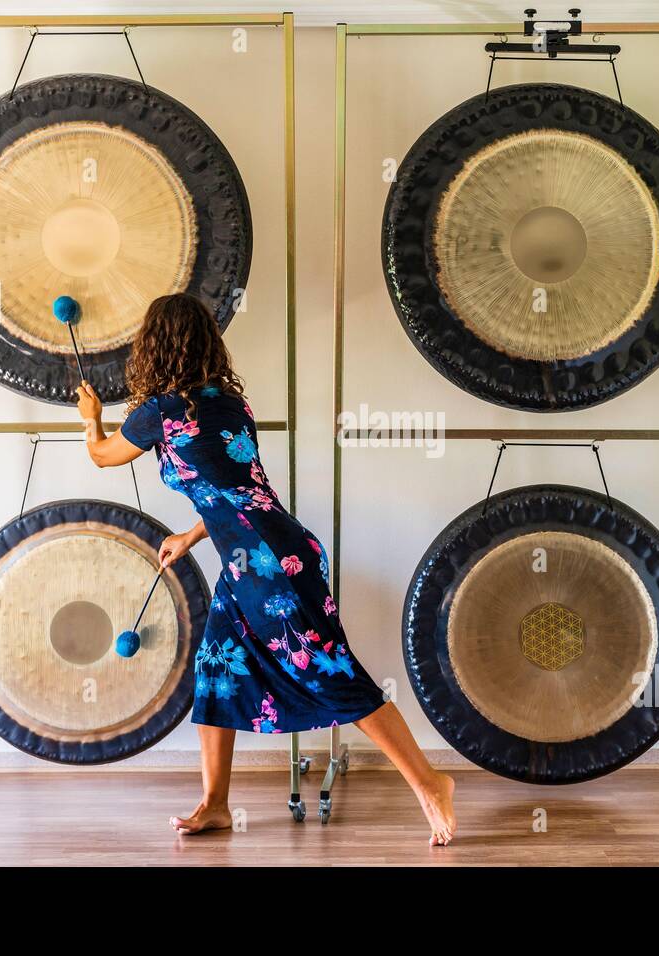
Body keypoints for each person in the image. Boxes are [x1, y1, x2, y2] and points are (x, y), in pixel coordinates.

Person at [76, 293, 456, 846]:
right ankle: (215, 804)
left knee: (335, 674)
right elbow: (239, 495)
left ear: (152, 348)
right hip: (271, 551)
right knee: (218, 665)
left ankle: (430, 784)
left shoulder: (158, 412)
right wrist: (190, 534)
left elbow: (103, 456)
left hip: (268, 567)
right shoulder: (229, 405)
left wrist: (91, 420)